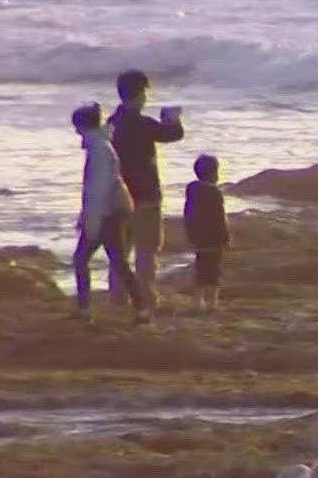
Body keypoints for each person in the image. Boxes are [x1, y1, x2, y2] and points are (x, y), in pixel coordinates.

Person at [107, 70, 185, 313]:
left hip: (118, 197)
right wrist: (172, 119)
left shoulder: (112, 124)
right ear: (141, 93)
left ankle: (118, 298)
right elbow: (172, 135)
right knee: (146, 252)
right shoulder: (143, 124)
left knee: (120, 253)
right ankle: (145, 299)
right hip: (146, 196)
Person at [73, 103, 147, 322]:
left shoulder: (100, 150)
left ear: (85, 127)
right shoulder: (101, 145)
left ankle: (85, 310)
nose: (76, 132)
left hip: (107, 213)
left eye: (78, 127)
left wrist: (91, 221)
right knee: (117, 262)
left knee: (89, 260)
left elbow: (99, 188)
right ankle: (139, 309)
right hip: (110, 211)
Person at [182, 154, 230, 311]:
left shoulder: (192, 190)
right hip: (214, 238)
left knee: (201, 268)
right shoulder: (215, 193)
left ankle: (197, 300)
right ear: (214, 173)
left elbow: (188, 212)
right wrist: (226, 237)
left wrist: (190, 231)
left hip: (198, 236)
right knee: (214, 271)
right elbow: (219, 217)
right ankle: (212, 303)